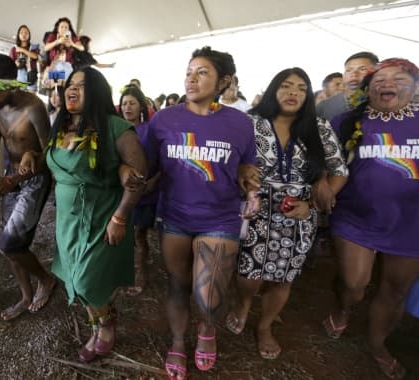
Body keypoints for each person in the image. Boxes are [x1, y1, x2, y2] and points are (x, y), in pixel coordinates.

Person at [142, 46, 257, 379]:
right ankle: (178, 341)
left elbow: (248, 165)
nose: (192, 78)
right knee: (177, 283)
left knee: (207, 296)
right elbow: (147, 164)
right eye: (189, 71)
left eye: (202, 72)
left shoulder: (240, 123)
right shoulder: (164, 118)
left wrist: (253, 191)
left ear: (224, 81)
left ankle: (207, 326)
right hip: (174, 216)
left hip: (220, 218)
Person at [20, 66, 147, 362]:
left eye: (83, 85)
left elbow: (139, 175)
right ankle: (97, 322)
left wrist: (121, 217)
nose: (72, 90)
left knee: (89, 281)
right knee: (74, 280)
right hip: (69, 219)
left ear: (99, 92)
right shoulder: (60, 126)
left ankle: (107, 323)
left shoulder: (116, 127)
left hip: (104, 216)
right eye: (70, 85)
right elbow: (53, 163)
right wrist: (31, 156)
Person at [225, 68, 348, 360]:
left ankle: (265, 326)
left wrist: (315, 205)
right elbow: (229, 159)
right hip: (253, 208)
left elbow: (339, 171)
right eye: (286, 86)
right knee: (248, 273)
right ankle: (243, 303)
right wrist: (241, 171)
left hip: (299, 211)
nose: (293, 92)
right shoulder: (248, 122)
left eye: (301, 88)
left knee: (284, 277)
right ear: (272, 90)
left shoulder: (318, 127)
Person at [324, 58, 419, 380]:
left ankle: (377, 344)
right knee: (354, 283)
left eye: (398, 78)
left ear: (416, 88)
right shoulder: (348, 121)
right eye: (379, 79)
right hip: (356, 218)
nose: (386, 83)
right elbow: (326, 165)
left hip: (411, 224)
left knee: (394, 290)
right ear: (368, 88)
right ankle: (344, 307)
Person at [0, 53, 57, 320]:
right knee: (10, 242)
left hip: (34, 179)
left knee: (9, 244)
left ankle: (45, 280)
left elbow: (50, 154)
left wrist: (18, 175)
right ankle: (26, 296)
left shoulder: (33, 107)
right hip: (10, 175)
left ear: (11, 83)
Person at [118, 85, 157, 296]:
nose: (127, 107)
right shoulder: (117, 129)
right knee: (125, 235)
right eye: (124, 103)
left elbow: (163, 160)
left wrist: (154, 182)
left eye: (132, 103)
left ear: (141, 106)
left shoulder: (149, 129)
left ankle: (141, 274)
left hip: (146, 192)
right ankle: (125, 271)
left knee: (139, 235)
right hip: (123, 192)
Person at [316, 52, 378, 121]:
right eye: (348, 70)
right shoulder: (324, 107)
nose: (354, 74)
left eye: (362, 69)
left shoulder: (387, 104)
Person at [42, 17, 84, 88]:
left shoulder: (72, 37)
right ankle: (57, 84)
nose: (64, 29)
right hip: (55, 65)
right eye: (61, 27)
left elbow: (82, 48)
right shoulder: (53, 36)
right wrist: (57, 41)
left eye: (66, 27)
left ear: (69, 30)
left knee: (63, 83)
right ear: (57, 29)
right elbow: (46, 48)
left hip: (66, 66)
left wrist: (72, 43)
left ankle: (60, 84)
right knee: (53, 84)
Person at [9, 25, 39, 90]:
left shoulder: (33, 47)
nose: (24, 34)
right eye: (21, 32)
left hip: (32, 75)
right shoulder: (14, 49)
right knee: (20, 98)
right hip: (19, 76)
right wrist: (16, 63)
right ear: (18, 35)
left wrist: (22, 50)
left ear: (29, 35)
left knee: (31, 98)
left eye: (26, 32)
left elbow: (35, 56)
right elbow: (10, 65)